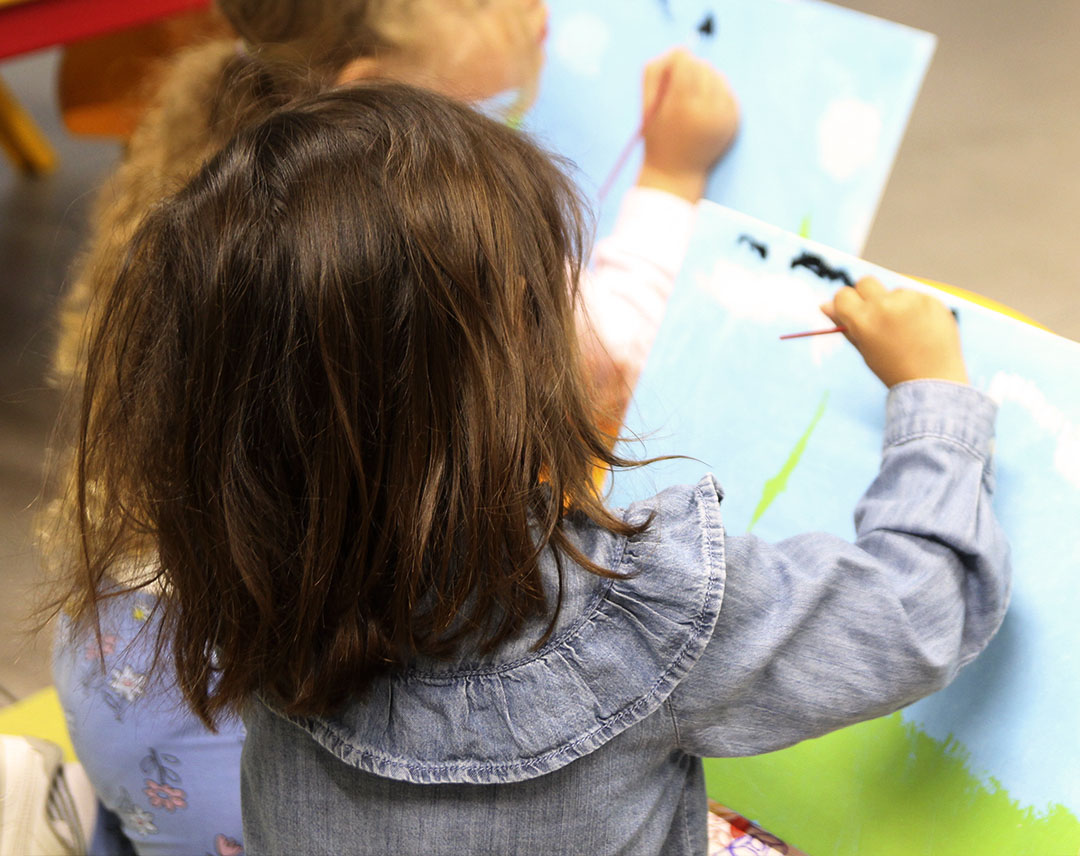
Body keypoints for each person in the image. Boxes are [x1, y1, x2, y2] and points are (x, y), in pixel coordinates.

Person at [57, 84, 1010, 856]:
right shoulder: (637, 615)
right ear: (515, 343)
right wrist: (936, 398)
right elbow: (923, 607)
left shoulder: (246, 576)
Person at [48, 0, 737, 855]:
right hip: (261, 769)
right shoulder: (412, 238)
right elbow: (593, 378)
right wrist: (676, 179)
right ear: (374, 85)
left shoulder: (223, 174)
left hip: (136, 700)